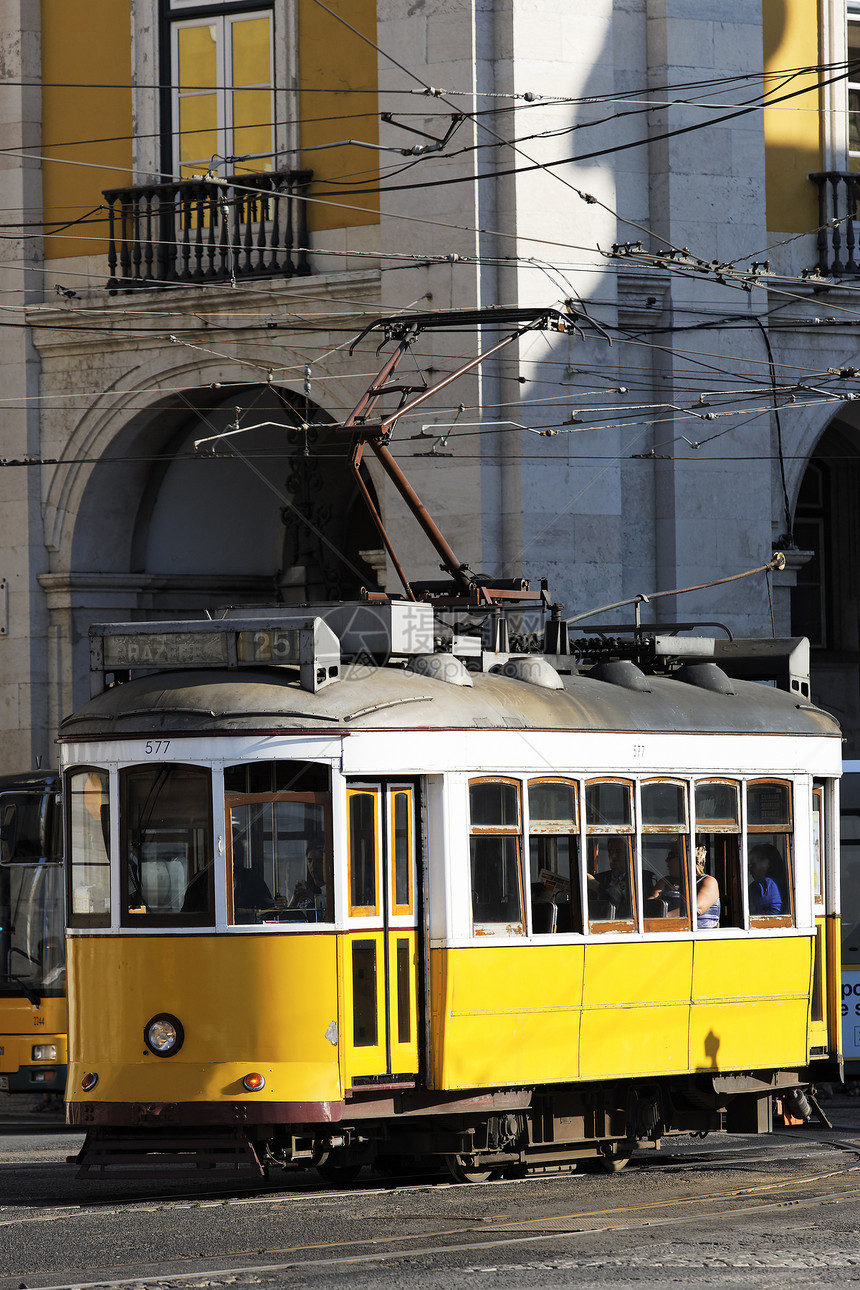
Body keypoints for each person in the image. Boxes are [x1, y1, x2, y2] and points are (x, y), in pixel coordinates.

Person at [588, 835, 632, 917]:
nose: (613, 856)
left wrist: (598, 887)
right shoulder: (599, 878)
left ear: (629, 854)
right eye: (610, 852)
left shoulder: (640, 878)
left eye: (618, 852)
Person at [289, 843, 326, 914]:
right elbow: (287, 917)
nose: (313, 865)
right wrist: (295, 899)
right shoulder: (307, 887)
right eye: (310, 861)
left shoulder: (332, 890)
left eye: (318, 861)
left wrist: (312, 898)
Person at [748, 844, 784, 915]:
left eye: (753, 865)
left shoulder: (763, 885)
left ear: (767, 863)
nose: (750, 870)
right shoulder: (783, 883)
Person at [695, 844, 720, 929]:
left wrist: (664, 916)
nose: (667, 860)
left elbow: (696, 909)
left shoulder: (708, 881)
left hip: (701, 938)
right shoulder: (666, 882)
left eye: (671, 855)